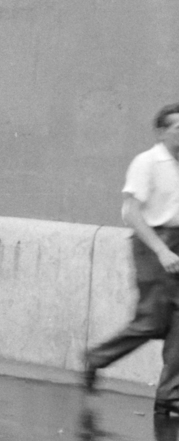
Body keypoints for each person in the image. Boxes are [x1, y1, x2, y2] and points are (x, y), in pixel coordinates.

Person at [84, 102, 179, 415]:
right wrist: (161, 250)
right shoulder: (147, 162)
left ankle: (169, 395)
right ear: (161, 131)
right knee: (153, 321)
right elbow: (131, 212)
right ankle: (97, 358)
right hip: (152, 242)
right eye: (178, 128)